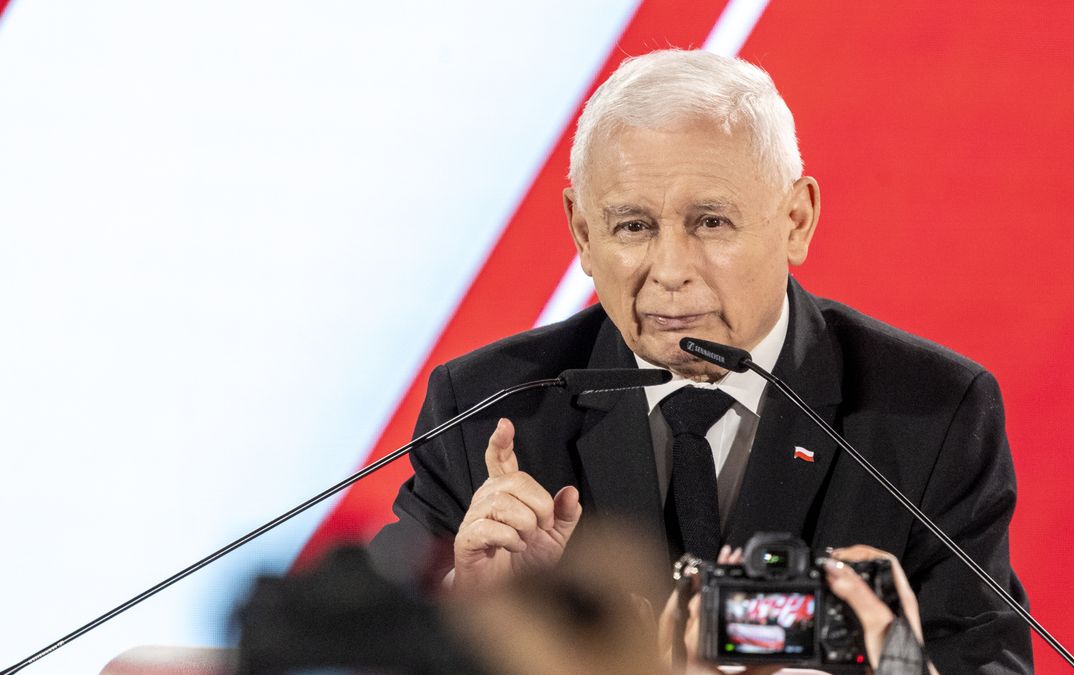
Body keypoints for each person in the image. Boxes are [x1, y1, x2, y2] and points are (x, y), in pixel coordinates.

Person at [369, 49, 1033, 673]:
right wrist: (466, 609)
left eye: (711, 222)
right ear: (582, 232)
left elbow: (988, 659)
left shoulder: (931, 410)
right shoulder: (488, 407)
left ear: (796, 219)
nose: (671, 271)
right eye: (633, 226)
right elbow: (360, 651)